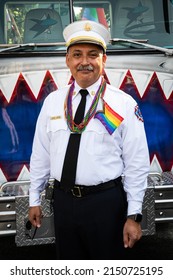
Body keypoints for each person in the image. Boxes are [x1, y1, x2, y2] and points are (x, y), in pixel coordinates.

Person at [29, 20, 150, 260]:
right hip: (63, 202)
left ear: (104, 60)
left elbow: (137, 162)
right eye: (77, 55)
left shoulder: (124, 104)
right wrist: (34, 198)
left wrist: (134, 215)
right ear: (67, 60)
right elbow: (41, 153)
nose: (84, 62)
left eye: (93, 55)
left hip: (105, 203)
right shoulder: (53, 101)